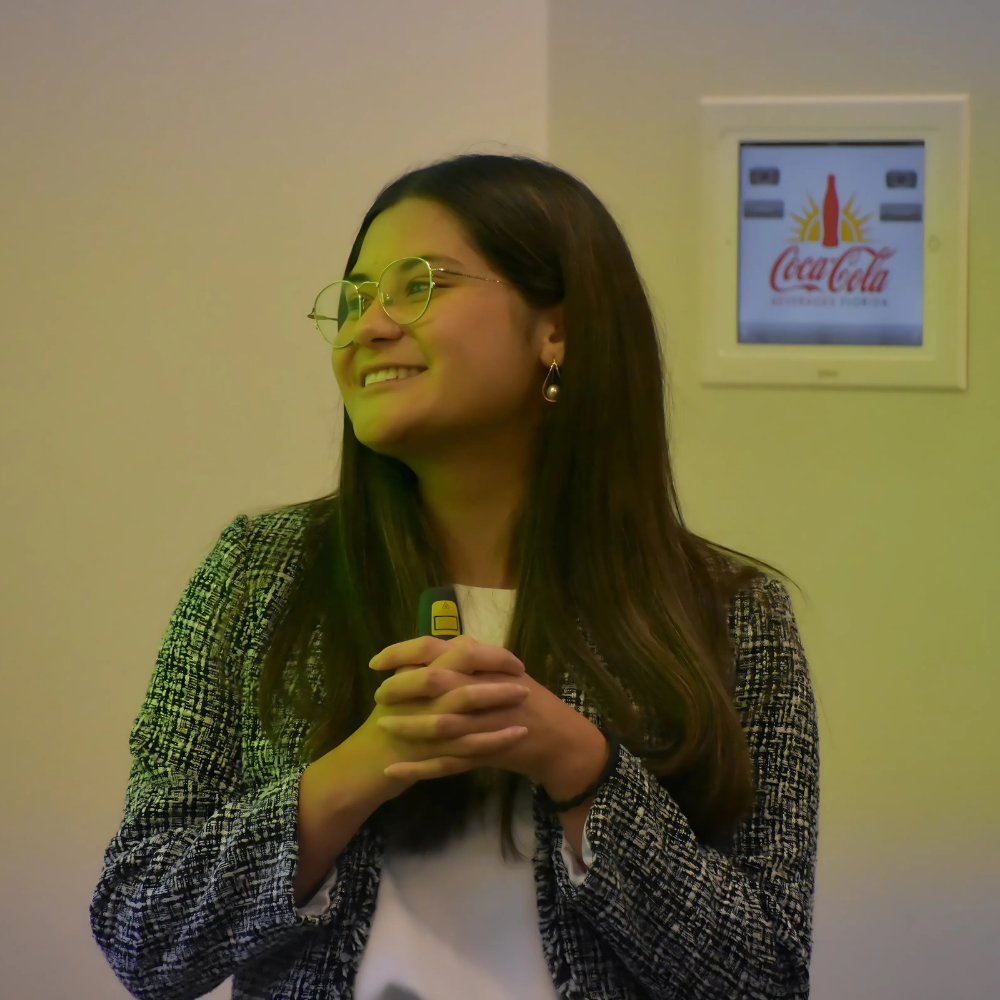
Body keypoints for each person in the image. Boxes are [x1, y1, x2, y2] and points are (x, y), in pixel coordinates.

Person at [90, 153, 820, 1000]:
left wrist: (582, 768)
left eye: (418, 284)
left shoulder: (731, 614)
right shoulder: (261, 574)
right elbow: (142, 935)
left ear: (558, 329)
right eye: (354, 299)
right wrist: (358, 769)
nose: (366, 327)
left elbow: (765, 979)